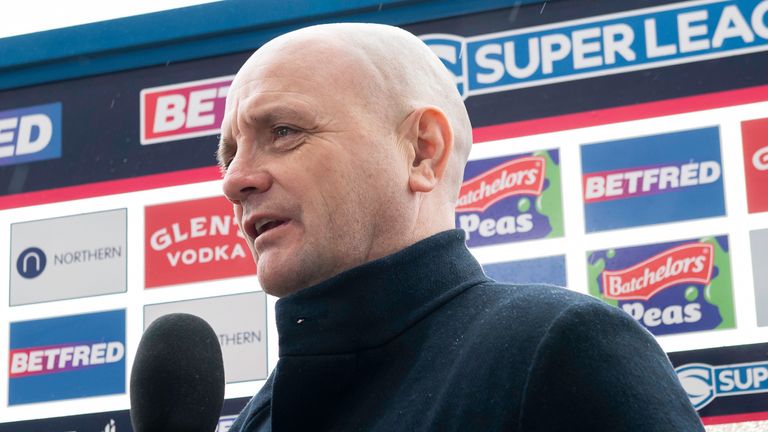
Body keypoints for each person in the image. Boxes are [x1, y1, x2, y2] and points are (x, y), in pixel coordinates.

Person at [218, 23, 704, 431]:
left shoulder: (558, 347)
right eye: (228, 155)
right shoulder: (256, 420)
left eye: (284, 131)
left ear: (422, 151)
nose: (234, 181)